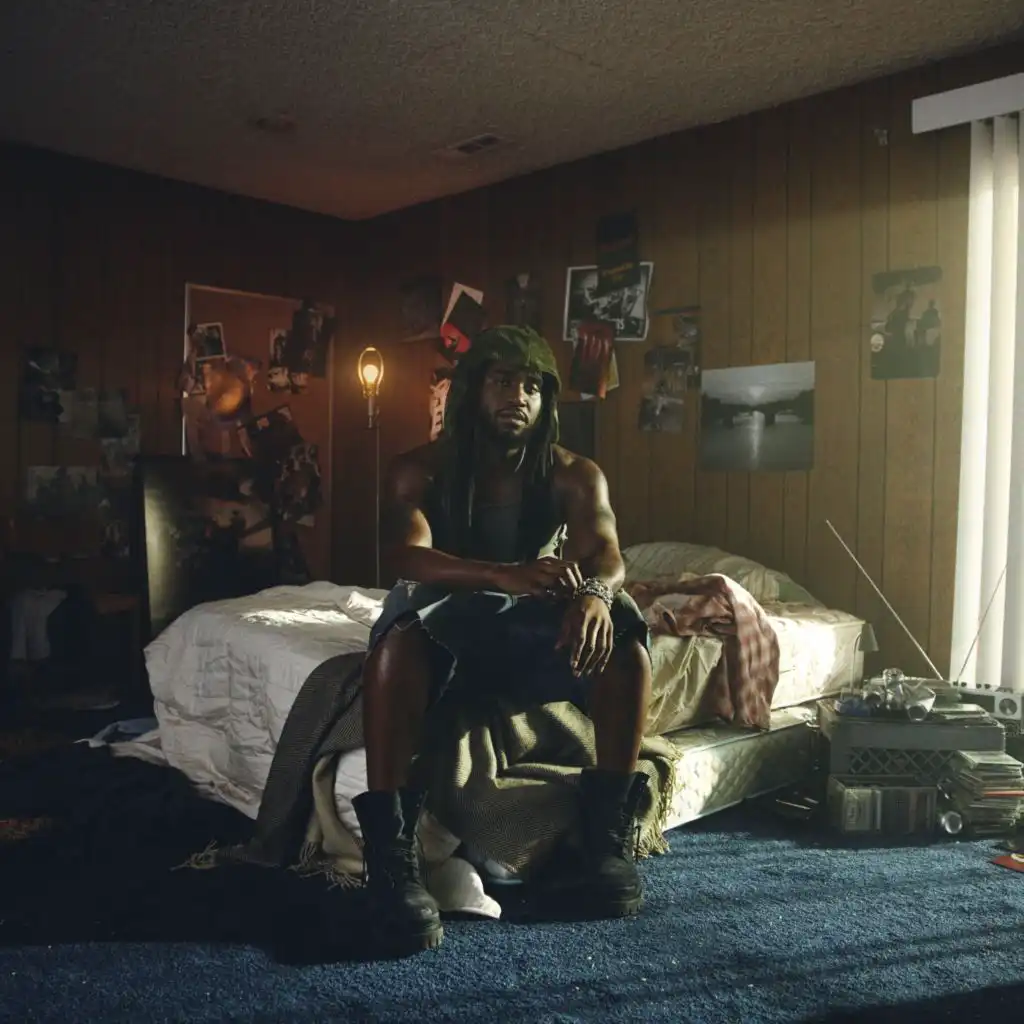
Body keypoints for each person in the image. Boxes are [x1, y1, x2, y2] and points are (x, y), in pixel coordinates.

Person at [352, 325, 654, 954]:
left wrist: (596, 595)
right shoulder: (419, 468)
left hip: (529, 618)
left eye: (532, 387)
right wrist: (499, 574)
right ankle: (392, 863)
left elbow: (606, 550)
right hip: (450, 610)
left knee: (625, 634)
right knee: (398, 636)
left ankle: (605, 845)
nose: (518, 396)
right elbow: (403, 556)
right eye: (503, 381)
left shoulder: (575, 473)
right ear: (472, 390)